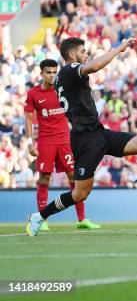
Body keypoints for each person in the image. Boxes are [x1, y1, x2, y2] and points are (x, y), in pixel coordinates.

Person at [26, 37, 137, 237]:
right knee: (80, 193)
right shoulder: (68, 70)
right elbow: (93, 67)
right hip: (84, 140)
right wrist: (118, 49)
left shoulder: (63, 77)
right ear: (71, 55)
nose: (86, 54)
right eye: (83, 51)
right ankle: (39, 217)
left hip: (98, 132)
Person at [24, 59, 100, 231]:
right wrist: (30, 142)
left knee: (74, 177)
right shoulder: (33, 94)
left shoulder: (63, 87)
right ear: (41, 73)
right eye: (48, 72)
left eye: (54, 72)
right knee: (44, 178)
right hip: (45, 141)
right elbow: (28, 119)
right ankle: (42, 219)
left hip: (65, 139)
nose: (52, 75)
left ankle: (81, 219)